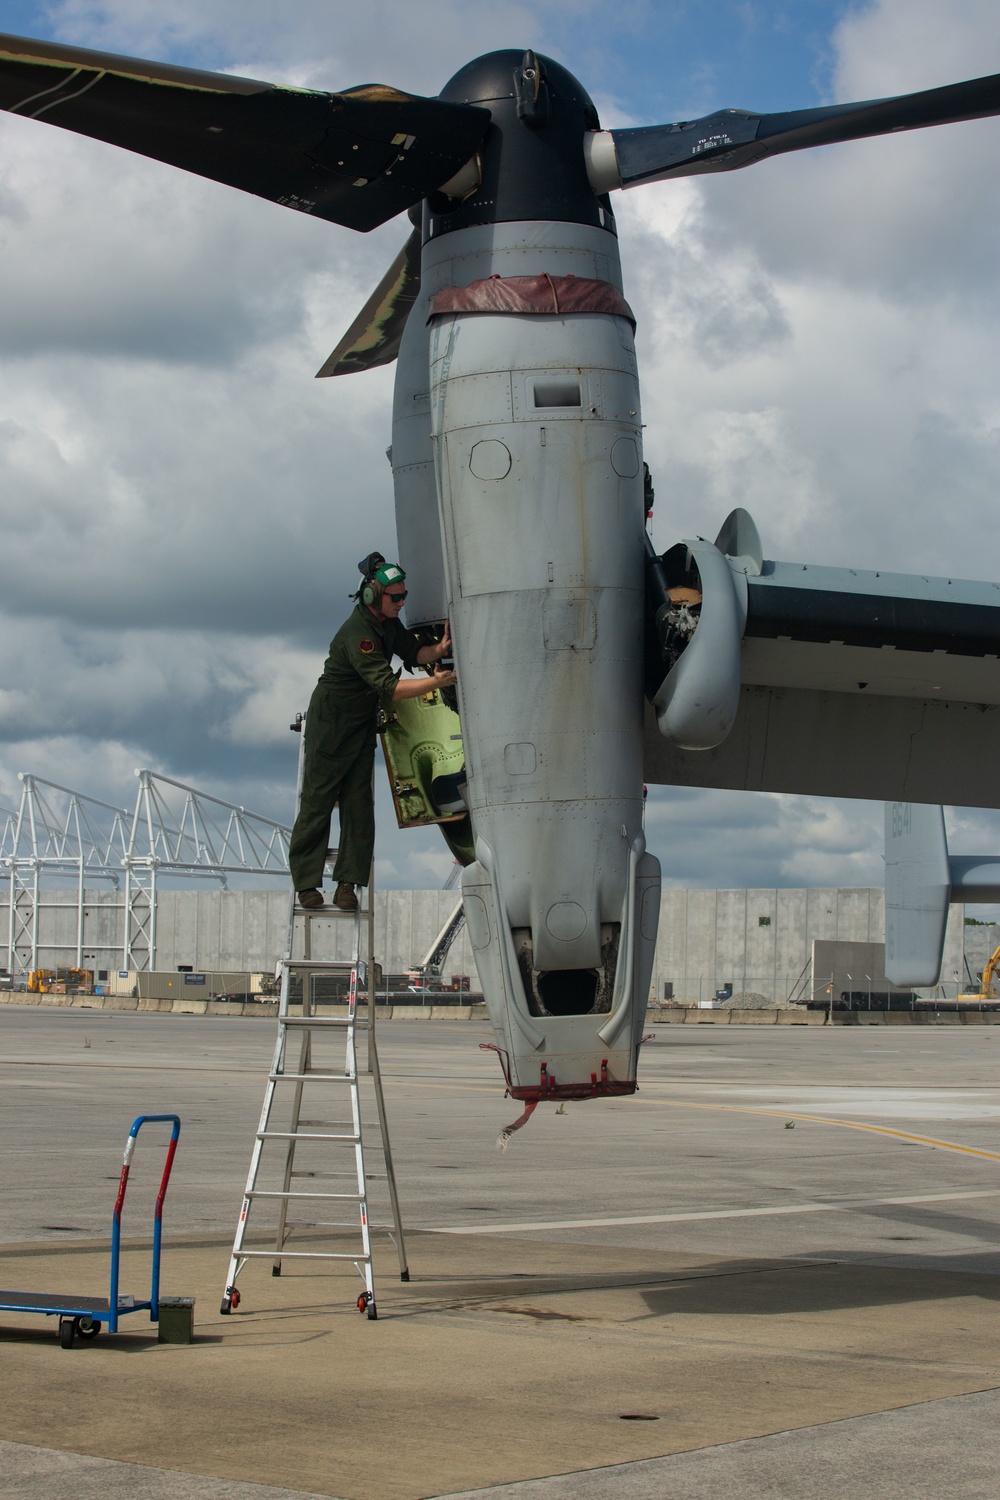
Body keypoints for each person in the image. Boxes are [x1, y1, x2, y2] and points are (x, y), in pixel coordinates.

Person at [288, 556, 456, 911]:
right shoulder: (359, 635)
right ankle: (306, 885)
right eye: (395, 597)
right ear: (372, 597)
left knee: (359, 807)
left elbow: (413, 650)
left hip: (361, 723)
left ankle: (347, 885)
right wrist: (435, 682)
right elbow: (389, 687)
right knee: (317, 803)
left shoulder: (386, 624)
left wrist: (437, 651)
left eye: (403, 595)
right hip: (332, 724)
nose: (402, 602)